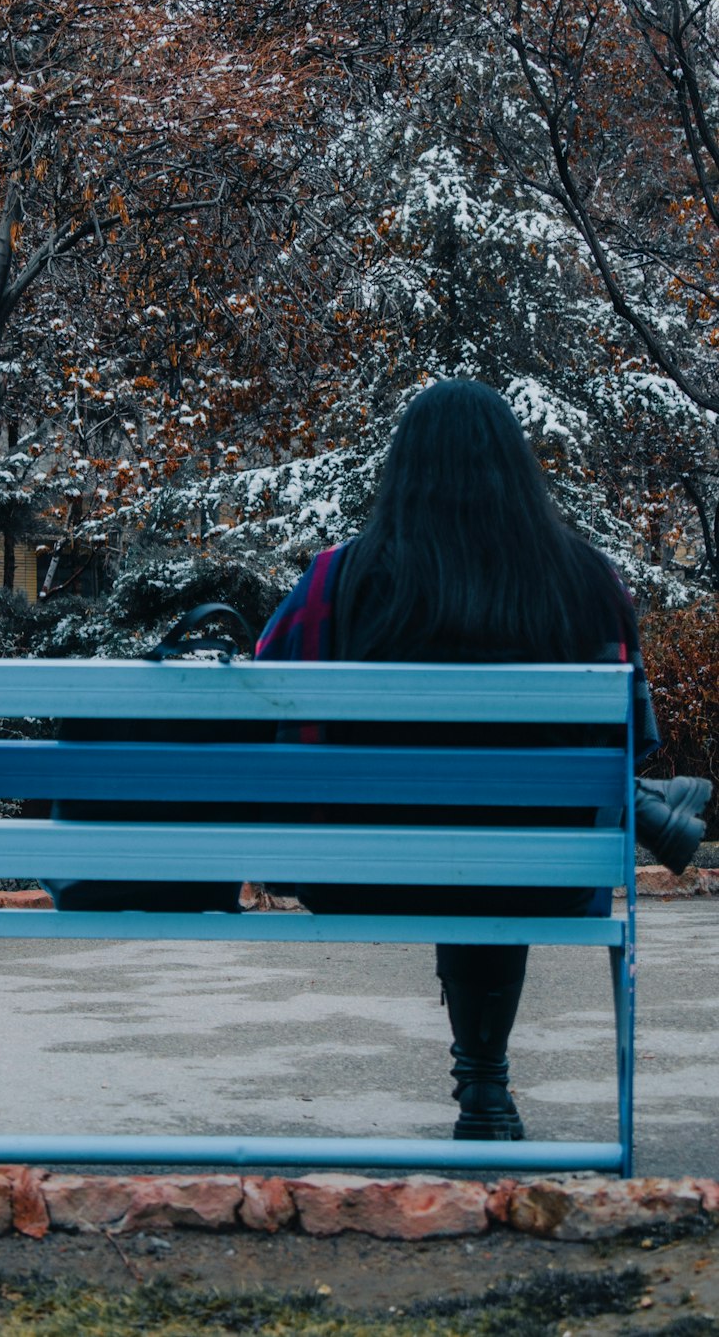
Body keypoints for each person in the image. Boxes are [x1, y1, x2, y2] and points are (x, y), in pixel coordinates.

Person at [254, 378, 709, 1141]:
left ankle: (485, 1087)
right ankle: (486, 1089)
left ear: (403, 470)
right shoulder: (589, 581)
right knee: (495, 839)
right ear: (517, 467)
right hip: (545, 875)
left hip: (360, 872)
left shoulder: (339, 579)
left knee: (468, 835)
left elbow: (269, 688)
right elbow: (626, 735)